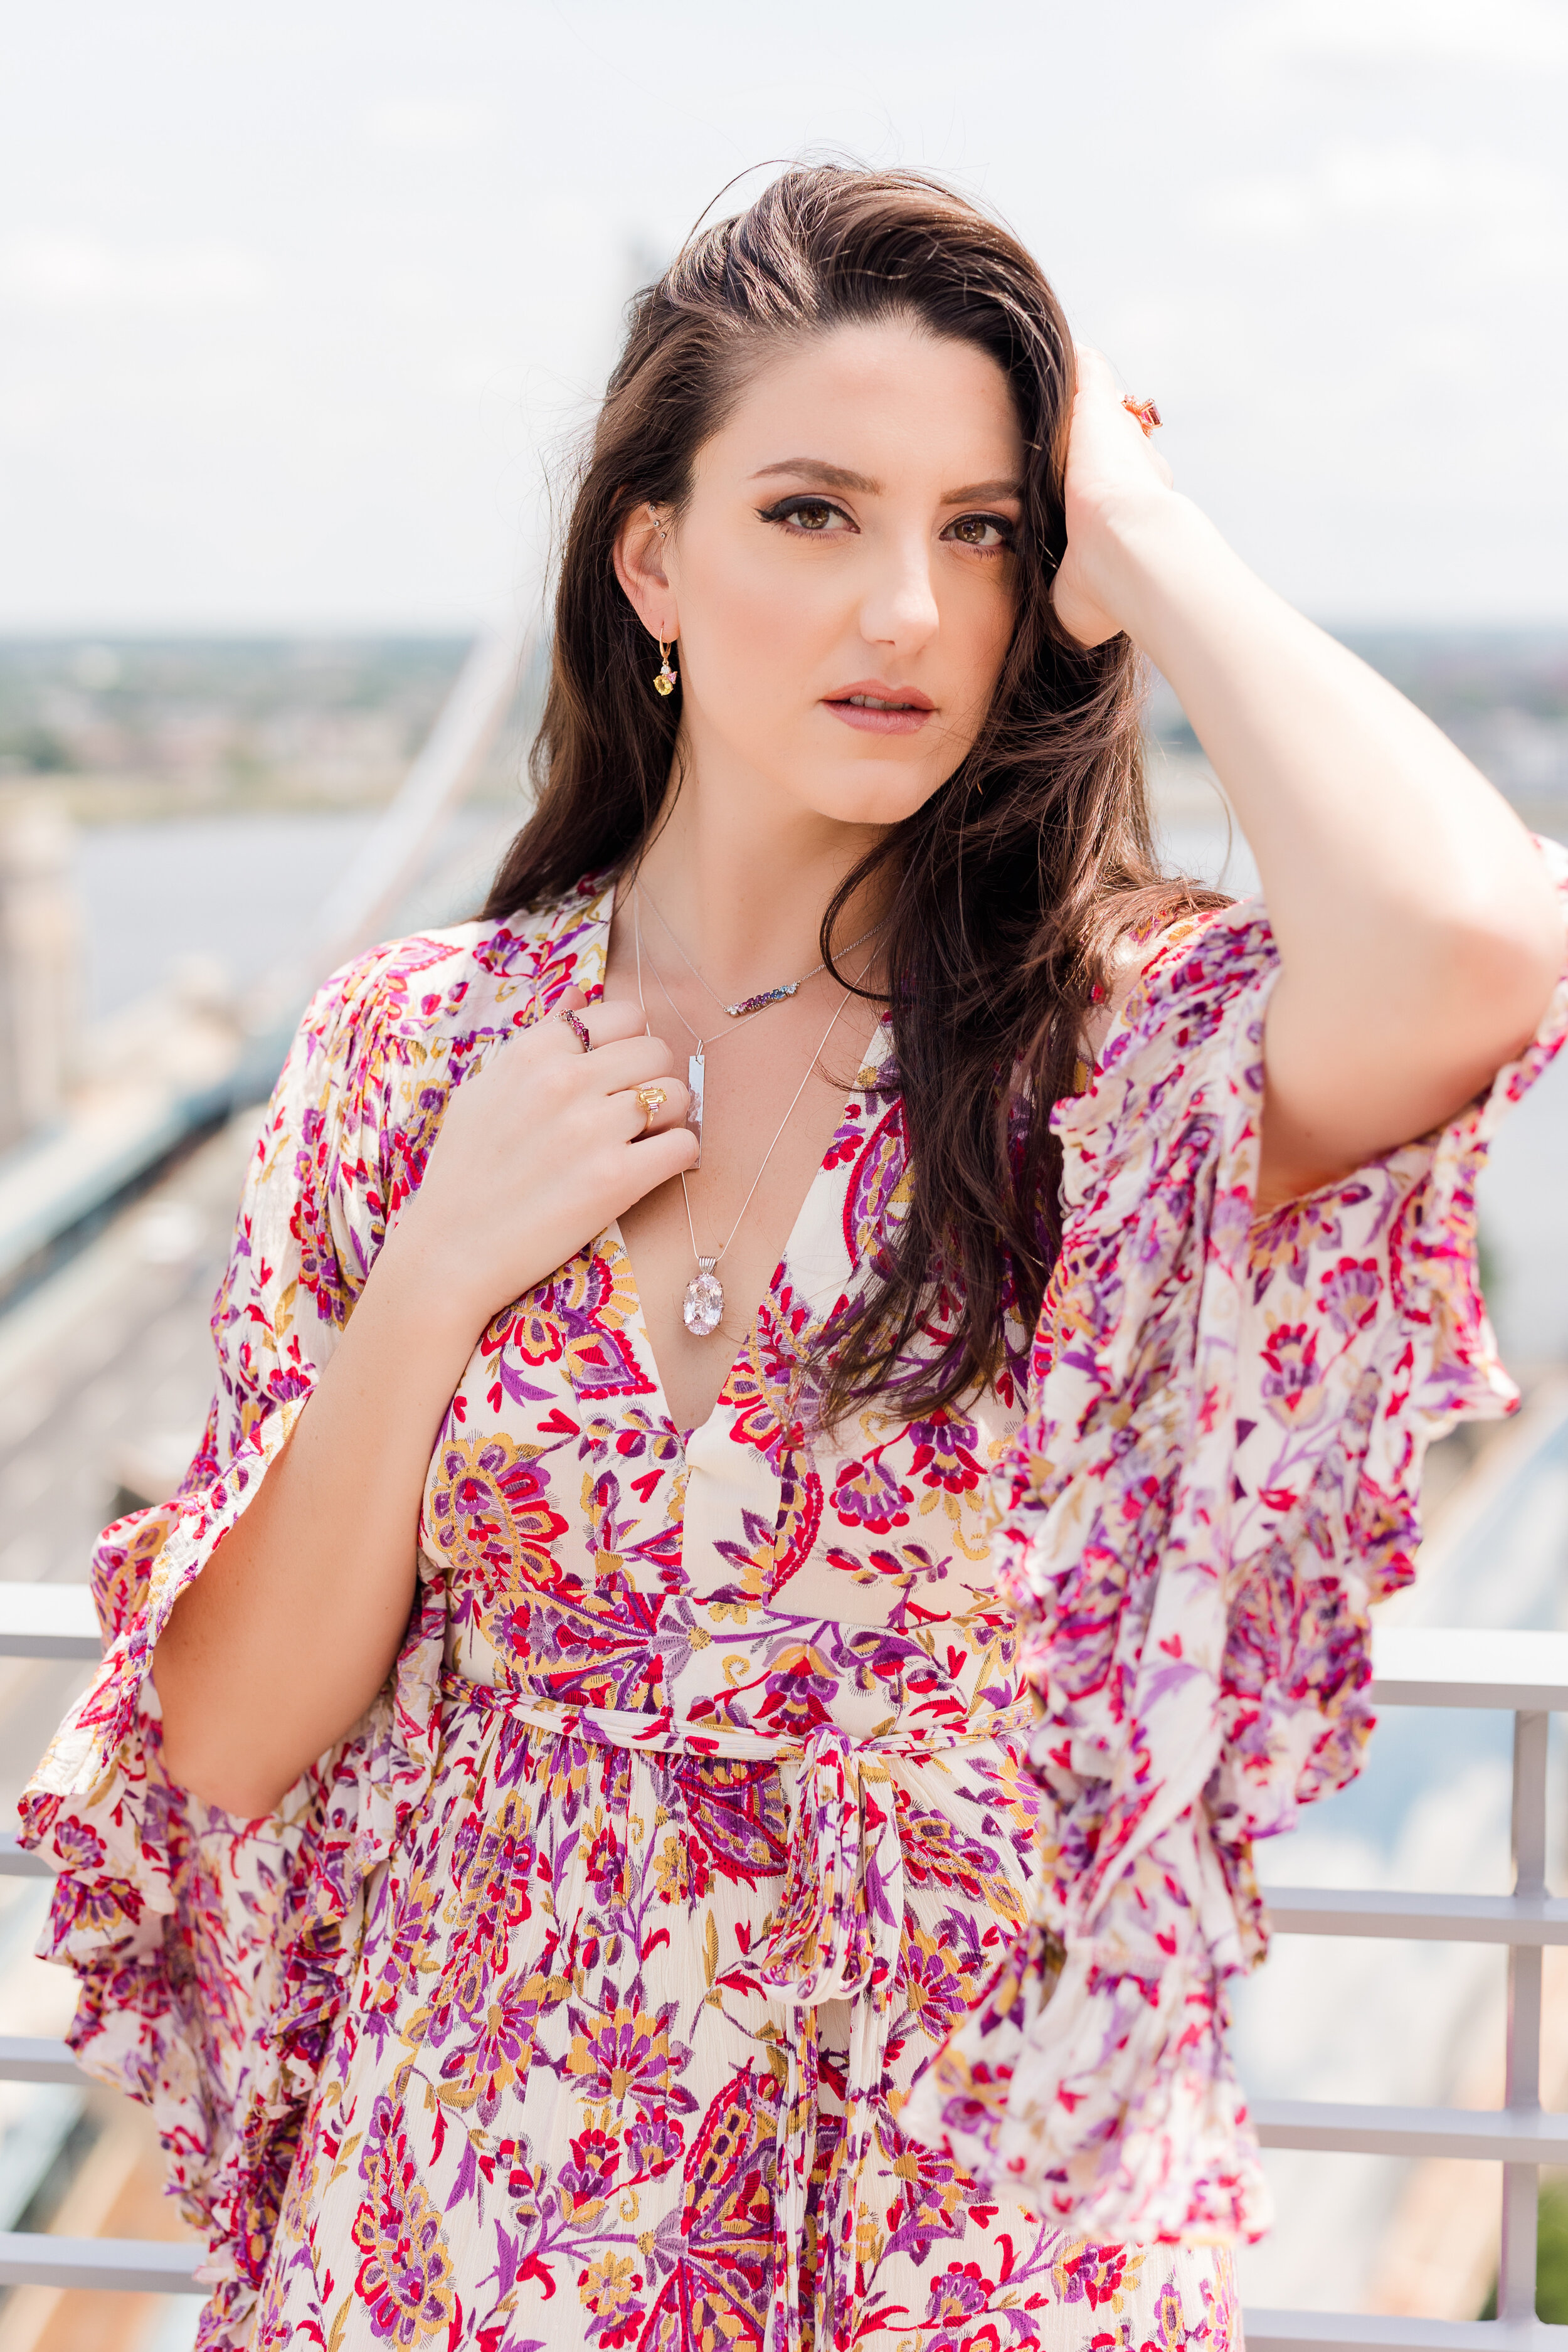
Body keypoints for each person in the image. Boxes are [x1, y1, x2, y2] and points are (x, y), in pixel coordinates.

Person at [21, 166, 1564, 2352]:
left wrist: (1141, 525)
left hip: (966, 2237)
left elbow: (1477, 943)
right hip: (470, 2220)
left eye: (984, 535)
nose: (911, 619)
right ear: (652, 555)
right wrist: (436, 1278)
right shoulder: (411, 1044)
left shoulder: (1113, 1052)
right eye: (816, 514)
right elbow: (236, 1734)